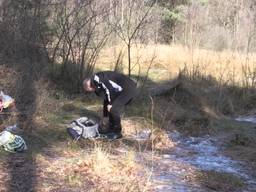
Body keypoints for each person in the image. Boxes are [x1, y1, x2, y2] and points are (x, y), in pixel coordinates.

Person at [83, 71, 137, 140]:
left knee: (113, 108)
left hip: (128, 88)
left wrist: (111, 104)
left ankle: (117, 132)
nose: (92, 91)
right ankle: (111, 128)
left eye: (89, 90)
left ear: (90, 86)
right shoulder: (96, 83)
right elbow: (106, 98)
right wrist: (105, 116)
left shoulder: (100, 80)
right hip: (119, 90)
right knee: (111, 107)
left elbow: (109, 90)